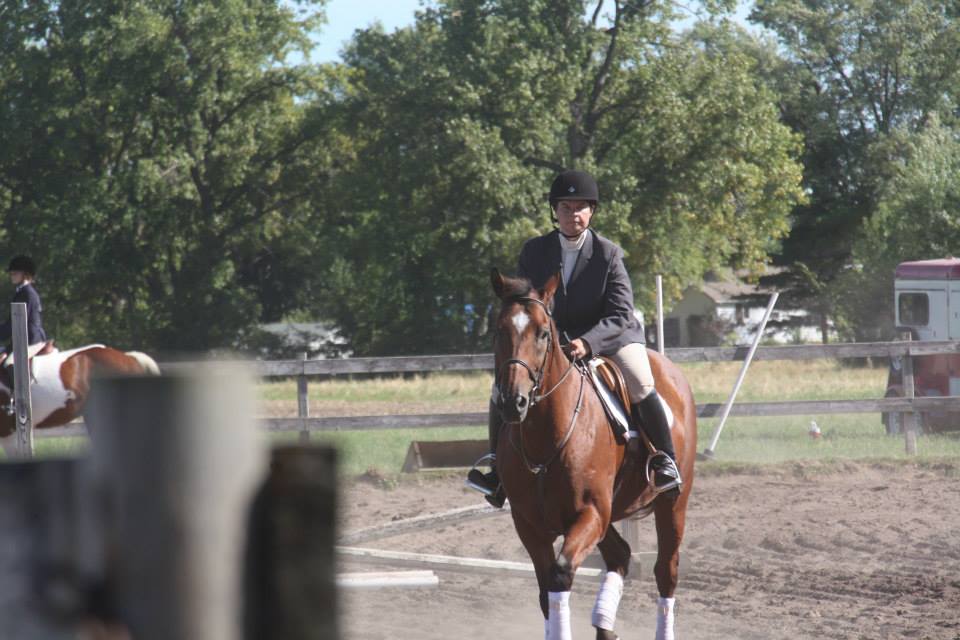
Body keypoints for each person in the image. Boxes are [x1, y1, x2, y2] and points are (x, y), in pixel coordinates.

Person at [468, 170, 681, 508]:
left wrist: (589, 342)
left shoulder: (608, 254)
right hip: (554, 341)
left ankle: (664, 460)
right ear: (555, 211)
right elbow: (526, 304)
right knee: (503, 388)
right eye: (566, 207)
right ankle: (497, 470)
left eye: (581, 207)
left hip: (611, 337)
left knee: (640, 382)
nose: (573, 215)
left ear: (592, 211)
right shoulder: (535, 252)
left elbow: (622, 313)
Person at [0, 255, 47, 359]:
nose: (11, 275)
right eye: (11, 273)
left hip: (30, 341)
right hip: (23, 339)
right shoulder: (22, 292)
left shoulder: (27, 294)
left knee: (8, 363)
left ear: (25, 274)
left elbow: (14, 324)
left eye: (15, 273)